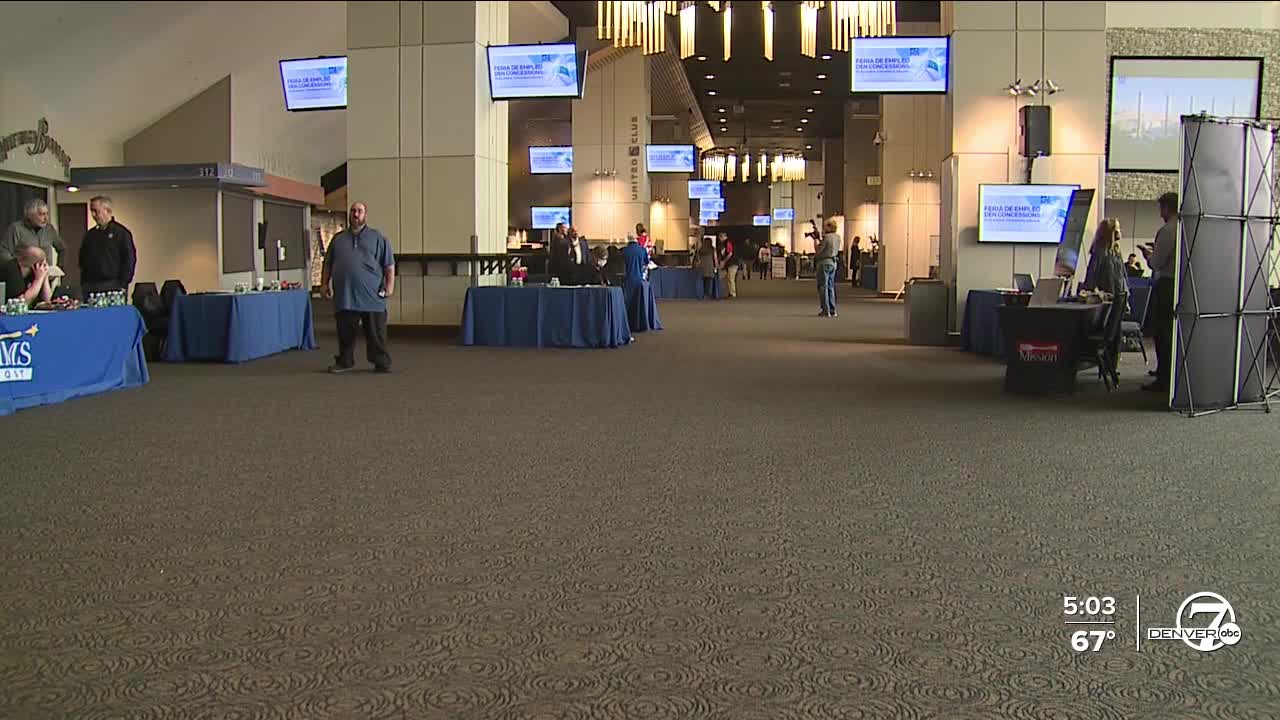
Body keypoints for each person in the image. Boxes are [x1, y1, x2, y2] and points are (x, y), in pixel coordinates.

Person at [321, 202, 395, 374]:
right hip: (345, 296)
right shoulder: (338, 239)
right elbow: (327, 264)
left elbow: (389, 265)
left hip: (372, 295)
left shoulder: (378, 238)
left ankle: (381, 361)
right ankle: (345, 362)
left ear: (365, 215)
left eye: (359, 211)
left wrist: (389, 286)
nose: (355, 214)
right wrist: (324, 284)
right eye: (353, 211)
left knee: (376, 332)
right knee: (345, 332)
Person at [1139, 192, 1178, 393]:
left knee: (1161, 333)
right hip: (1177, 286)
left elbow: (1156, 263)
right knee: (1170, 333)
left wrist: (1148, 255)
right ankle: (1167, 372)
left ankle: (1163, 377)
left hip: (1166, 285)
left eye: (1160, 208)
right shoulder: (1182, 229)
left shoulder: (1167, 230)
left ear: (1166, 208)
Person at [1081, 219, 1129, 380]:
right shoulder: (1099, 252)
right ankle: (1107, 365)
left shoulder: (1116, 250)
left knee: (1116, 333)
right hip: (1107, 298)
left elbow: (1123, 275)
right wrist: (1086, 291)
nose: (1120, 231)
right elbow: (1092, 275)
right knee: (1109, 333)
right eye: (1117, 229)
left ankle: (1111, 366)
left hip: (1120, 296)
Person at [79, 196, 137, 296]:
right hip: (91, 285)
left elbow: (129, 259)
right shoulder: (90, 235)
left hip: (114, 284)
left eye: (96, 211)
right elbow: (82, 259)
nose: (93, 215)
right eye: (91, 211)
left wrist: (123, 283)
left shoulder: (121, 233)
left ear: (107, 211)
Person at [1, 198, 65, 266]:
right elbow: (4, 252)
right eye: (41, 214)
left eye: (47, 214)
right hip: (23, 274)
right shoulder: (16, 228)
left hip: (44, 273)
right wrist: (16, 268)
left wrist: (59, 266)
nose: (46, 218)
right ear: (30, 215)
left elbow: (62, 248)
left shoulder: (49, 229)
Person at [816, 219, 841, 317]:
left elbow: (820, 250)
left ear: (829, 227)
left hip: (824, 262)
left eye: (825, 226)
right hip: (833, 263)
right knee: (831, 286)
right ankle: (833, 309)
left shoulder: (826, 237)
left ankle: (825, 309)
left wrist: (816, 243)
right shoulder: (838, 237)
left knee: (823, 286)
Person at [718, 232, 738, 299]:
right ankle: (730, 293)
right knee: (729, 278)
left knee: (731, 279)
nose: (719, 239)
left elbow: (730, 253)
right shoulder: (725, 243)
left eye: (720, 237)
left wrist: (724, 261)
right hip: (730, 264)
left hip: (732, 263)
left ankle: (733, 293)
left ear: (723, 236)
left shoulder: (728, 243)